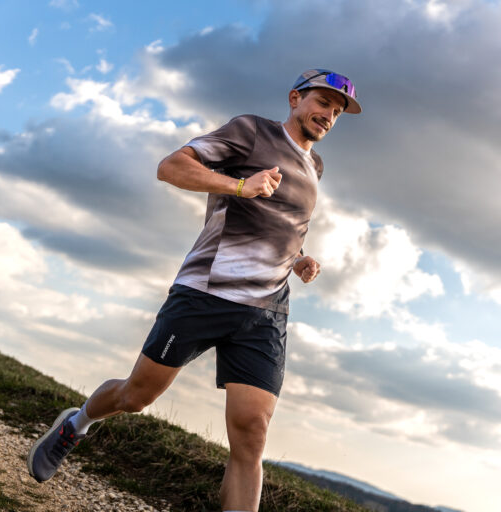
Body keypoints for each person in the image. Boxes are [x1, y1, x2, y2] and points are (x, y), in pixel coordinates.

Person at [27, 68, 361, 511]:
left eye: (337, 111)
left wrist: (299, 257)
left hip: (266, 311)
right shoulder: (252, 132)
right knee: (136, 396)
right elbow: (171, 167)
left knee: (251, 433)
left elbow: (281, 224)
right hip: (207, 291)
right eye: (322, 102)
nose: (328, 115)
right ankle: (77, 423)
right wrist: (239, 185)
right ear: (295, 98)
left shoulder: (315, 166)